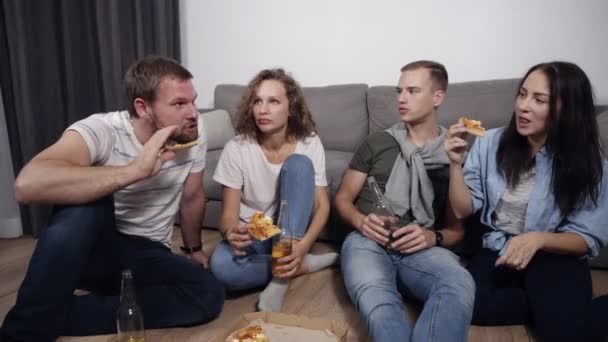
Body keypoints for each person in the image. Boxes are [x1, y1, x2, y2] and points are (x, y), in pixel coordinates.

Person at [0, 56, 224, 341]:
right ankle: (21, 332)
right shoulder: (102, 130)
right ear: (142, 107)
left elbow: (192, 196)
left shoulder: (192, 131)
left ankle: (46, 315)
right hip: (91, 250)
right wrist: (135, 170)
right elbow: (27, 185)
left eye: (193, 101)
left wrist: (193, 249)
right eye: (179, 104)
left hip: (147, 252)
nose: (193, 113)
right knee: (88, 202)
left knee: (208, 292)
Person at [444, 61, 608, 342]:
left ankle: (561, 313)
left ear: (567, 109)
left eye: (538, 99)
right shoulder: (489, 143)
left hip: (554, 254)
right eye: (522, 94)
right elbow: (462, 209)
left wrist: (538, 240)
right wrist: (455, 164)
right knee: (469, 307)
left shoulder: (593, 166)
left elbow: (587, 239)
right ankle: (551, 308)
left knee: (564, 335)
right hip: (498, 249)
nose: (523, 106)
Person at [335, 60, 475, 342]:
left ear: (437, 97)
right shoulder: (377, 142)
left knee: (458, 282)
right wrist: (361, 222)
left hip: (421, 249)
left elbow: (457, 232)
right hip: (367, 241)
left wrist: (430, 237)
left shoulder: (455, 153)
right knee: (379, 302)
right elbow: (343, 199)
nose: (401, 98)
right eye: (399, 91)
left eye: (412, 91)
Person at [209, 68, 339, 312]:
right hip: (257, 229)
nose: (263, 109)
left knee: (300, 164)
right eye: (257, 101)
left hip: (291, 232)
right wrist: (230, 232)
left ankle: (281, 276)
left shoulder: (309, 142)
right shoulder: (237, 148)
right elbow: (228, 214)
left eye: (273, 101)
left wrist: (302, 246)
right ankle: (299, 266)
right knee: (221, 268)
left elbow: (322, 206)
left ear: (291, 108)